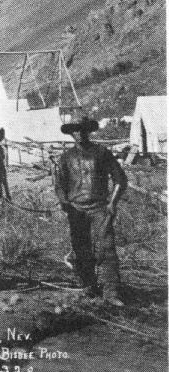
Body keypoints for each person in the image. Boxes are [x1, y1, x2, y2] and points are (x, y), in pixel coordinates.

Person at [55, 115, 127, 306]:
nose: (79, 133)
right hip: (76, 210)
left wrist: (112, 203)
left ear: (88, 131)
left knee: (107, 249)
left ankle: (111, 291)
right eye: (75, 130)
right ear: (71, 133)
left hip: (100, 209)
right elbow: (60, 185)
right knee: (81, 249)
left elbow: (120, 179)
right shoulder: (65, 158)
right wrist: (65, 203)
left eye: (82, 129)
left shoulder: (102, 153)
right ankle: (89, 287)